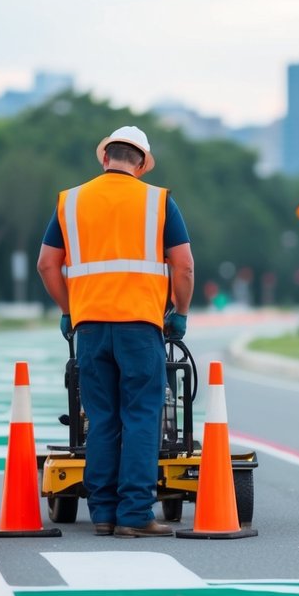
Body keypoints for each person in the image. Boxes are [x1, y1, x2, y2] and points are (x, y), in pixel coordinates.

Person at [37, 125, 194, 538]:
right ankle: (135, 513)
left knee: (102, 418)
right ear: (140, 163)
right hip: (141, 326)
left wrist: (69, 310)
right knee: (142, 416)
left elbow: (46, 264)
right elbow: (184, 266)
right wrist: (179, 311)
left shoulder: (70, 202)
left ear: (105, 157)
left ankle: (103, 513)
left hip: (89, 328)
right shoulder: (158, 201)